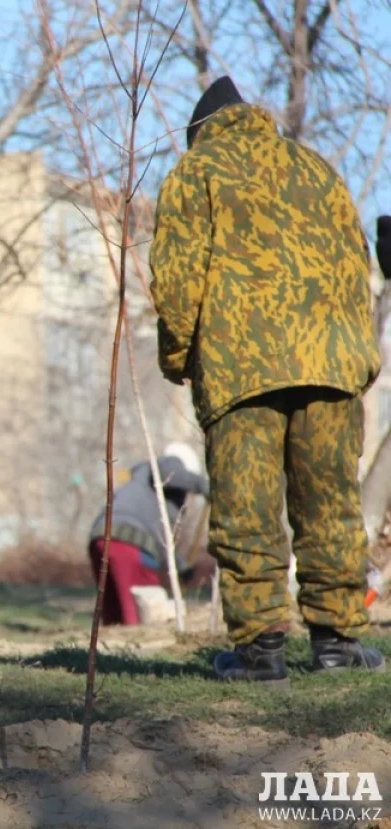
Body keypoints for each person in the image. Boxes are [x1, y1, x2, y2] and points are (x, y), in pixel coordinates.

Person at [149, 75, 385, 686]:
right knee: (330, 507)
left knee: (246, 511)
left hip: (240, 368)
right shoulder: (315, 167)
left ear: (198, 132)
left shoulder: (196, 171)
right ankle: (337, 642)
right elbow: (357, 260)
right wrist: (361, 358)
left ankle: (261, 651)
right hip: (332, 363)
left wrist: (178, 357)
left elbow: (178, 280)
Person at [88, 453, 212, 626]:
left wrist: (181, 566)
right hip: (128, 542)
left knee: (114, 614)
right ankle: (133, 650)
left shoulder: (142, 488)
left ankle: (109, 650)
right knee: (142, 611)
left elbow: (162, 541)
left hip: (99, 538)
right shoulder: (167, 465)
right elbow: (170, 472)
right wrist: (209, 486)